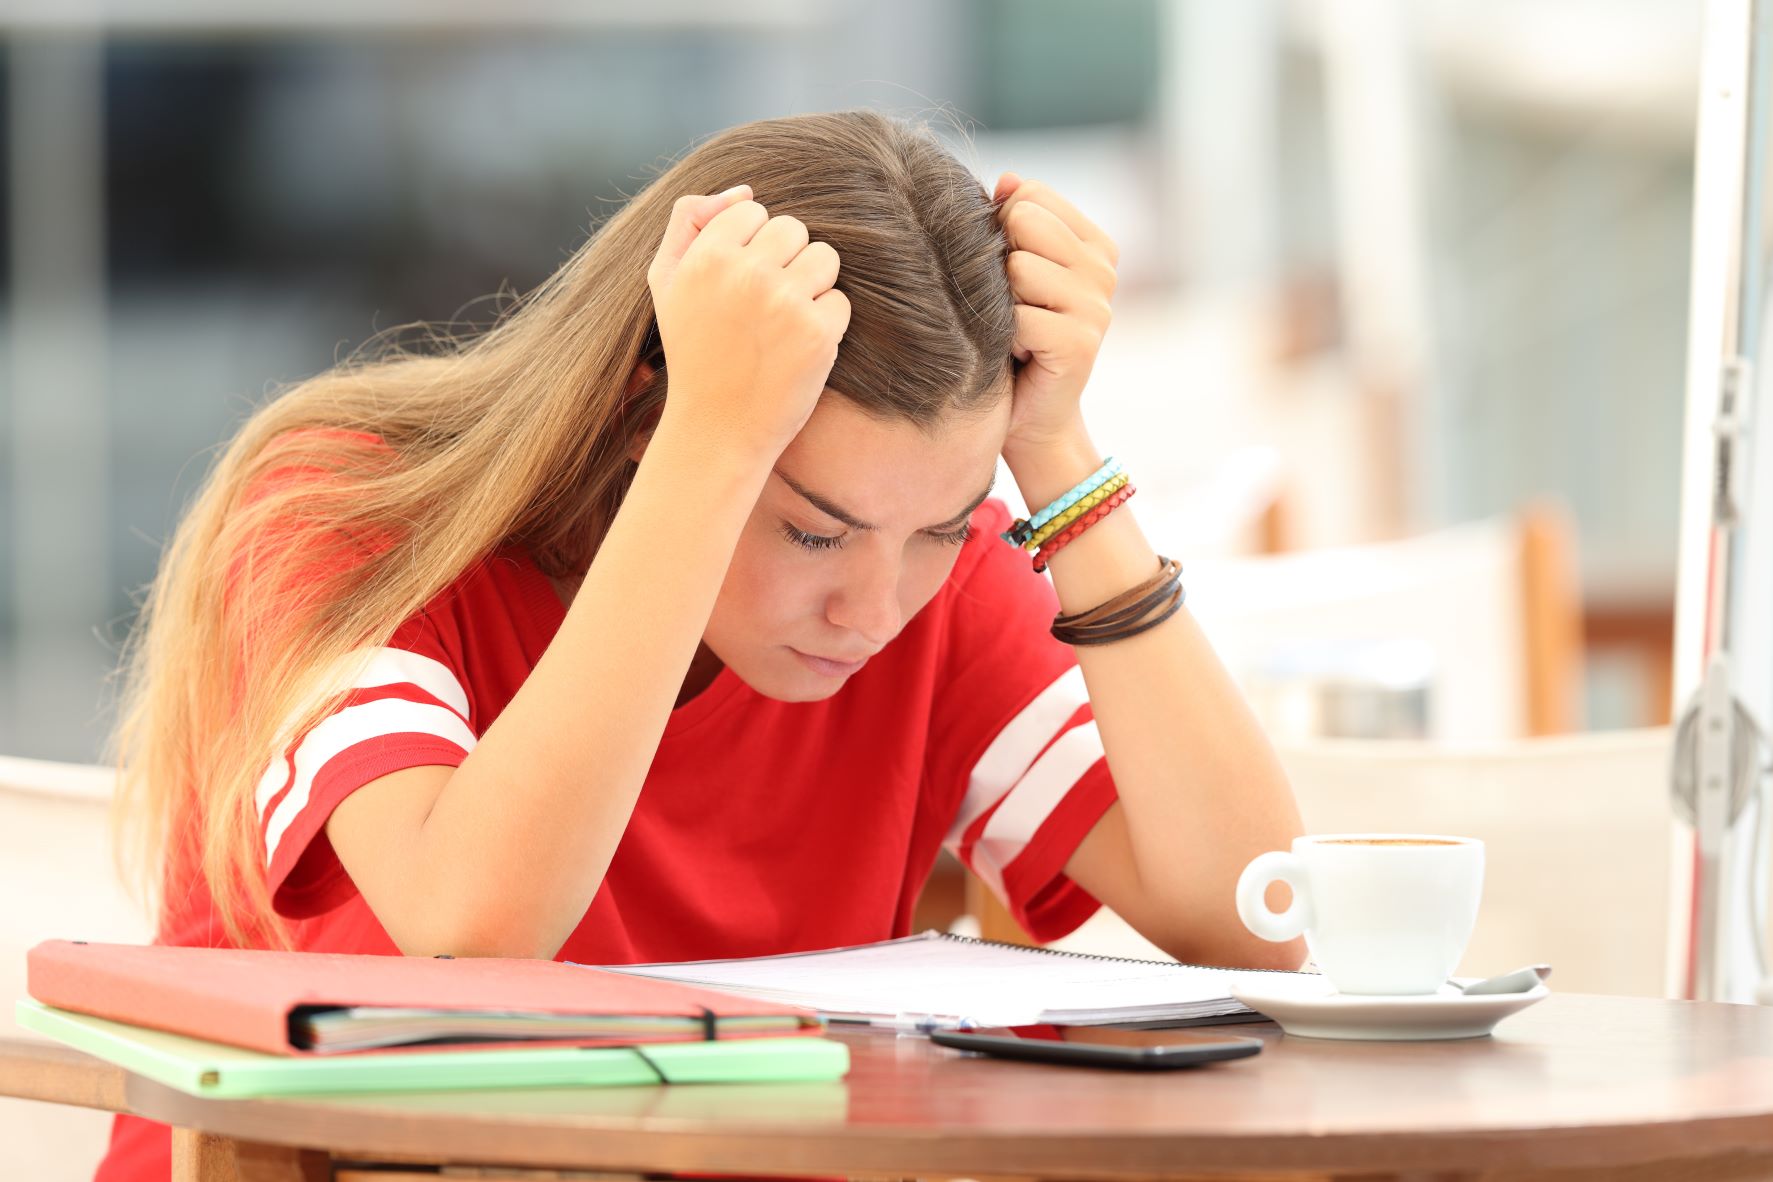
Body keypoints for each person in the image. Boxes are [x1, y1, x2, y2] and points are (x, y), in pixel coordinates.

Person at [94, 109, 1306, 1180]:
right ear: (644, 413)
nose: (875, 610)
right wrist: (708, 444)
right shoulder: (345, 514)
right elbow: (476, 926)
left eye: (937, 528)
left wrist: (1059, 452)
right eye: (813, 532)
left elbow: (1261, 919)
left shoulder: (933, 581)